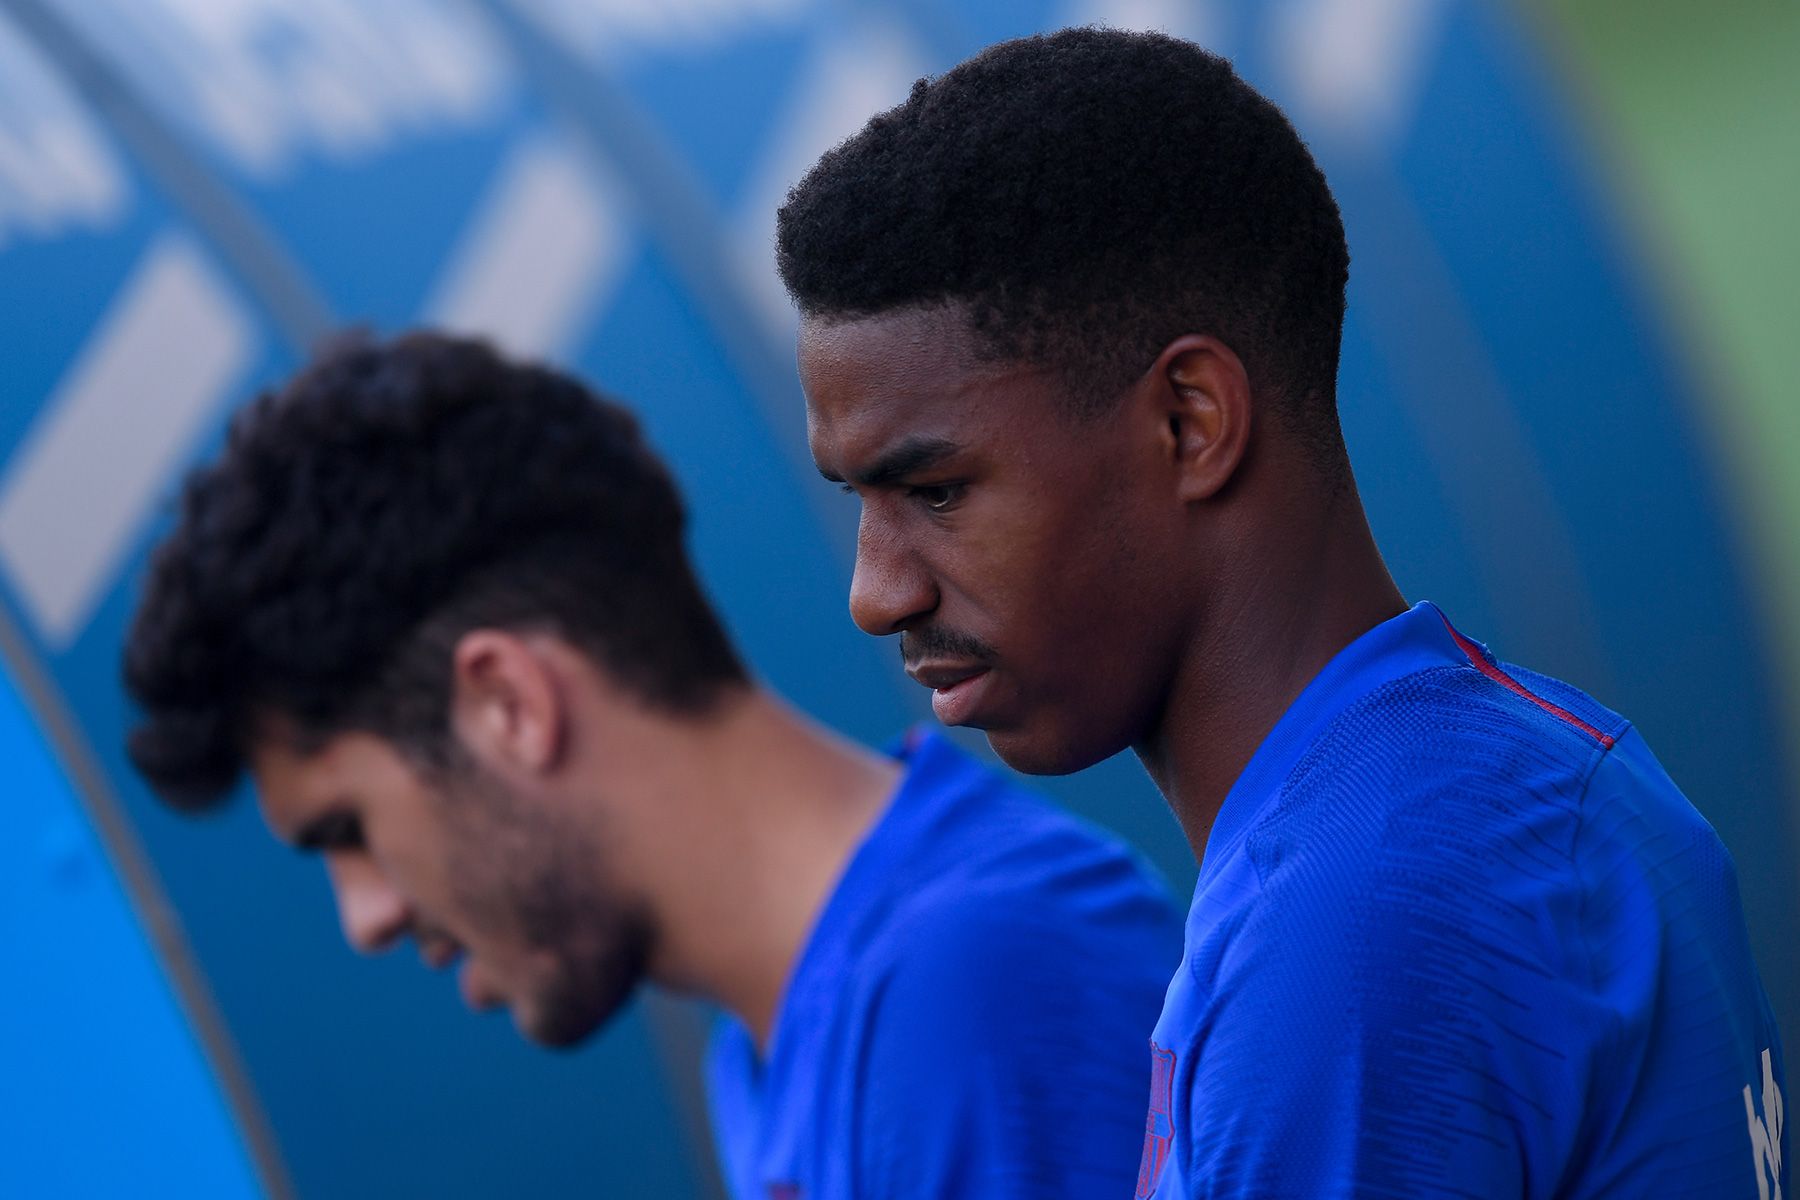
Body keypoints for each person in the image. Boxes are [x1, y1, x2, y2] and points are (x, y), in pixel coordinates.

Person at [779, 26, 1789, 1199]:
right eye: (859, 503)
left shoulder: (1360, 921)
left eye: (936, 491)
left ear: (1191, 422)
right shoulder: (1525, 777)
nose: (875, 592)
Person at [120, 331, 1182, 1199]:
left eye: (346, 830)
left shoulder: (974, 994)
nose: (366, 919)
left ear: (508, 705)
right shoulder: (778, 1038)